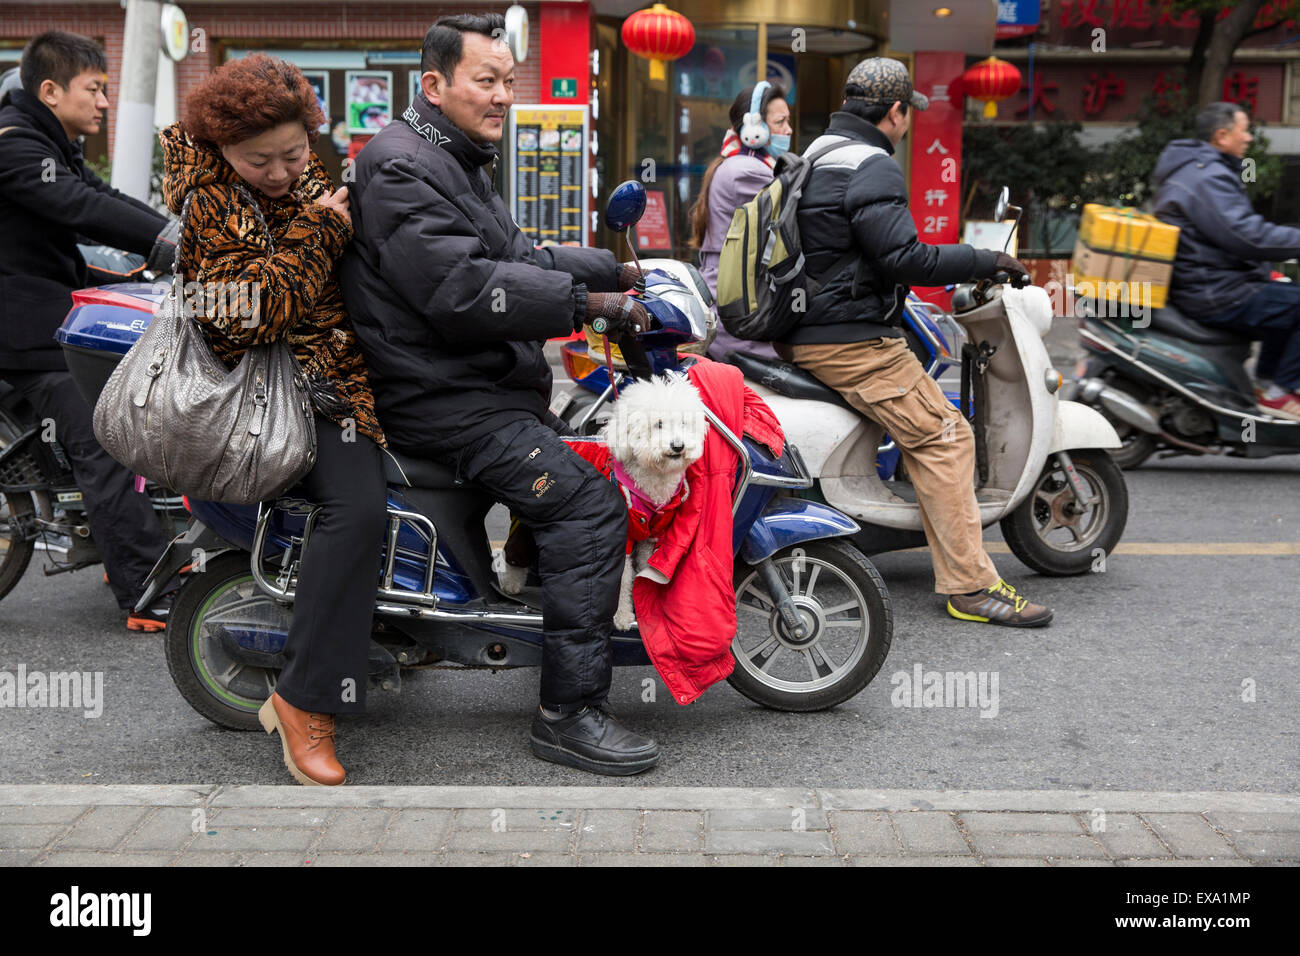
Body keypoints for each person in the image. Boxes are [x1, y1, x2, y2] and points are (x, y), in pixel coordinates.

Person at [340, 13, 660, 776]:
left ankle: (545, 628)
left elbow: (518, 255)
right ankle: (568, 712)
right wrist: (587, 307)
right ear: (435, 84)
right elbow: (460, 288)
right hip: (445, 400)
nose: (501, 97)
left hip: (480, 388)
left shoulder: (453, 159)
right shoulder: (399, 167)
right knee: (587, 505)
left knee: (578, 466)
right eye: (486, 80)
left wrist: (615, 272)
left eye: (507, 82)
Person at [161, 53, 389, 786]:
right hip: (277, 397)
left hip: (337, 376)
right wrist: (318, 233)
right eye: (260, 160)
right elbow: (245, 316)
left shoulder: (307, 172)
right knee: (356, 509)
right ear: (222, 148)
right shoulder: (207, 202)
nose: (283, 171)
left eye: (294, 153)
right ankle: (302, 699)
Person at [777, 57, 1054, 628]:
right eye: (909, 114)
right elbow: (905, 258)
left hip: (808, 332)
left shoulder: (815, 154)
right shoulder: (870, 163)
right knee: (946, 437)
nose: (908, 126)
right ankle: (972, 587)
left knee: (924, 424)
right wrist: (990, 259)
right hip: (850, 342)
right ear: (896, 111)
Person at [0, 31, 177, 630]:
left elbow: (98, 194)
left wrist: (177, 233)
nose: (104, 102)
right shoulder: (14, 147)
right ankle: (145, 591)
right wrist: (166, 242)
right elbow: (80, 206)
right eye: (94, 89)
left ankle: (115, 534)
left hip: (42, 308)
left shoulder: (48, 140)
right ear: (50, 90)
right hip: (25, 327)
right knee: (105, 440)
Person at [1153, 102, 1300, 421]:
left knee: (1287, 298)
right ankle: (1276, 390)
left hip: (1214, 283)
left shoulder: (1196, 170)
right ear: (1221, 136)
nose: (1248, 138)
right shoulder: (1206, 177)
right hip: (1218, 293)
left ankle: (1268, 383)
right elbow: (1248, 236)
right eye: (1243, 130)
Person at [689, 81, 791, 361]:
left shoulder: (736, 163)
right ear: (754, 129)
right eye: (780, 122)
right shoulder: (748, 171)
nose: (789, 130)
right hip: (738, 304)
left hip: (728, 295)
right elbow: (790, 225)